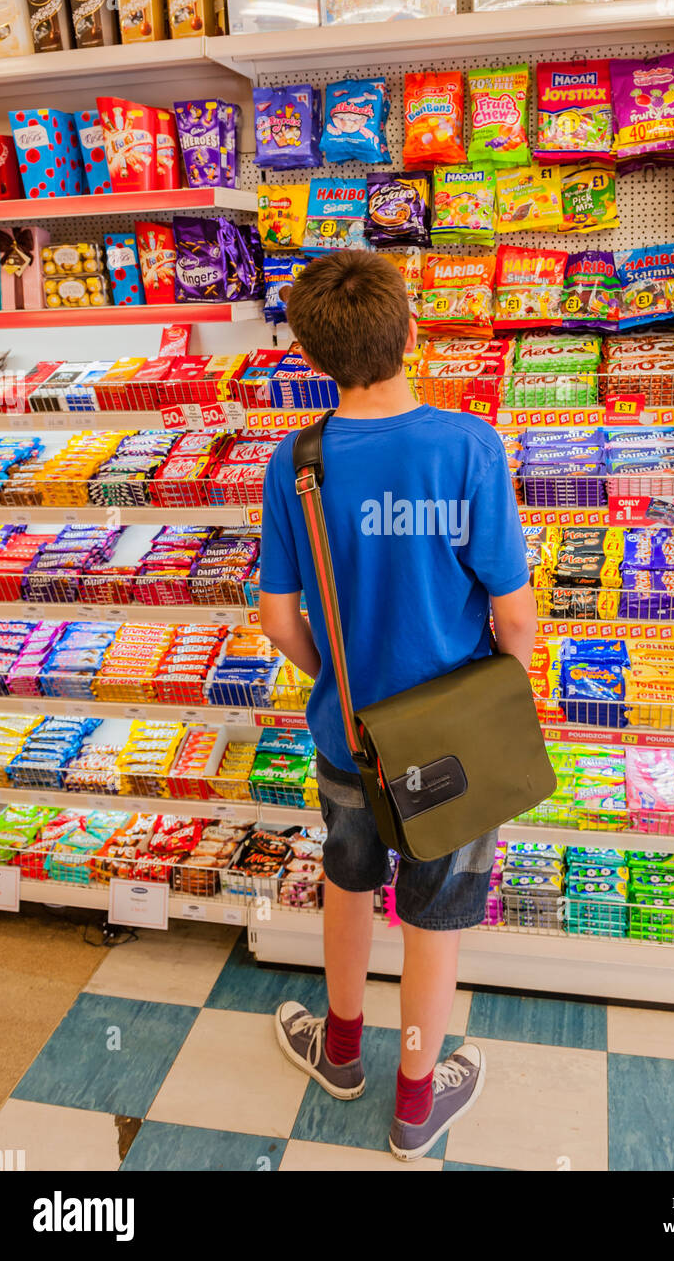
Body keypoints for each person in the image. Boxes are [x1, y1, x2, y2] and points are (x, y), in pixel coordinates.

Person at [259, 249, 537, 1162]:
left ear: (311, 355)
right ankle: (415, 1104)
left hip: (348, 738)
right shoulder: (467, 446)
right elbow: (512, 613)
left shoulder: (295, 460)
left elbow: (276, 615)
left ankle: (340, 1052)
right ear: (413, 331)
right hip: (450, 740)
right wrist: (498, 689)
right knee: (434, 919)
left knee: (347, 885)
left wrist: (332, 682)